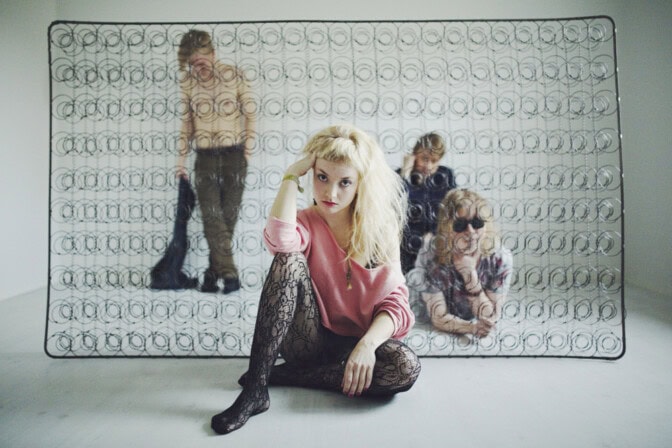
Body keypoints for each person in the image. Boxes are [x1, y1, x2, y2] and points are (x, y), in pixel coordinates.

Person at [210, 124, 421, 435]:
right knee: (289, 259)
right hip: (308, 340)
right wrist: (290, 176)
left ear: (360, 184)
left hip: (357, 344)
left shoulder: (380, 230)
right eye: (322, 177)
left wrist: (367, 345)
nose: (330, 193)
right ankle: (256, 388)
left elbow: (397, 304)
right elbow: (281, 242)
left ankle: (292, 376)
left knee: (405, 367)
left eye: (344, 182)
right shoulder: (306, 222)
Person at [176, 29, 256, 293]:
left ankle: (211, 275)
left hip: (234, 155)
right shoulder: (188, 82)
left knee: (228, 217)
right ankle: (230, 275)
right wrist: (180, 160)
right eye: (193, 64)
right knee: (212, 217)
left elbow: (250, 113)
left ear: (213, 54)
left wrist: (247, 149)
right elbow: (187, 123)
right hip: (205, 157)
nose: (198, 68)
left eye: (202, 62)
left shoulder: (235, 75)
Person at [411, 189, 512, 337]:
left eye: (477, 223)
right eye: (460, 225)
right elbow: (438, 317)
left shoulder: (500, 258)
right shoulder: (431, 253)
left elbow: (490, 317)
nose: (470, 231)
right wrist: (471, 328)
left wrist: (469, 274)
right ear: (446, 228)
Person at [397, 132, 456, 274]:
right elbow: (398, 206)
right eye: (424, 159)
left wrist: (435, 234)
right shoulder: (400, 175)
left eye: (434, 161)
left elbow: (452, 210)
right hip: (407, 242)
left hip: (436, 240)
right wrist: (405, 173)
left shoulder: (445, 175)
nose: (428, 165)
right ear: (414, 155)